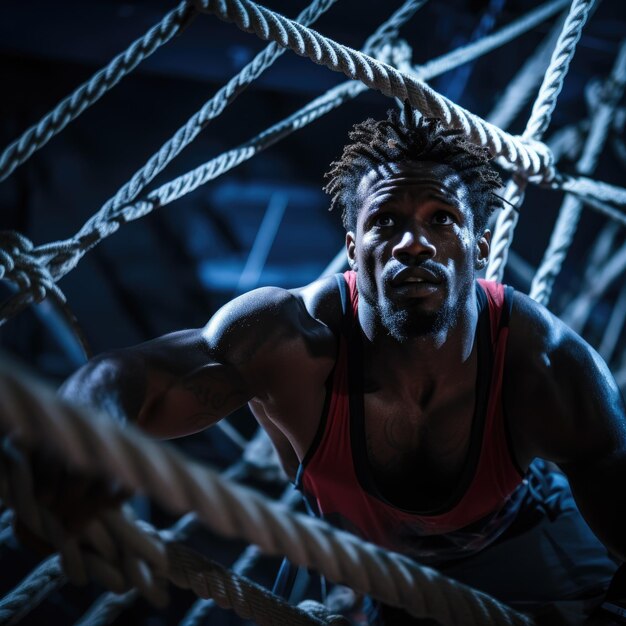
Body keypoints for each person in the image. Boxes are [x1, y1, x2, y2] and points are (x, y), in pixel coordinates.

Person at [58, 110, 625, 624]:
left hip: (518, 547)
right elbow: (136, 376)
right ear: (353, 250)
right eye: (386, 222)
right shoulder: (290, 341)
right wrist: (78, 436)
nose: (413, 244)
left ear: (477, 249)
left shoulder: (544, 363)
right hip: (358, 566)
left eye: (442, 219)